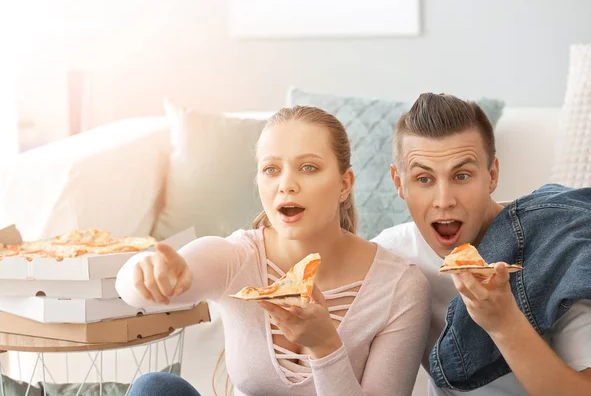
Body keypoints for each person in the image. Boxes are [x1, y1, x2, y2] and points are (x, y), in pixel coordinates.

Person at [116, 106, 431, 396]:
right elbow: (137, 290)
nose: (287, 184)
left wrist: (325, 347)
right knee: (155, 387)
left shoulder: (400, 287)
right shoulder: (239, 257)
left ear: (344, 185)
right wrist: (146, 268)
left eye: (308, 167)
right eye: (271, 169)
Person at [373, 92, 591, 395]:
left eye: (462, 175)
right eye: (424, 179)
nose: (444, 201)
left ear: (492, 175)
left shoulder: (555, 246)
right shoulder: (389, 256)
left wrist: (505, 323)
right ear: (399, 183)